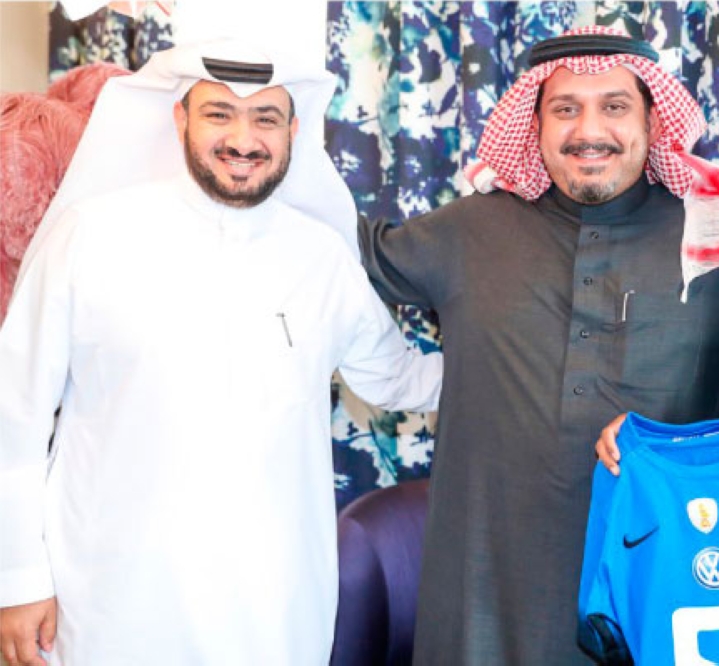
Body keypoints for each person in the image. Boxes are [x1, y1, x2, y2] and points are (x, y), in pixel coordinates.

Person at [0, 40, 441, 666]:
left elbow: (400, 380)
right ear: (180, 118)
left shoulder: (322, 257)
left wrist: (528, 350)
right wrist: (18, 580)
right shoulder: (90, 236)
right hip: (113, 601)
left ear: (293, 132)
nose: (243, 138)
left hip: (273, 606)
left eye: (265, 117)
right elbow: (12, 416)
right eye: (218, 114)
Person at [359, 26, 719, 664]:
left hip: (668, 574)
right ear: (533, 125)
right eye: (565, 108)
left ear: (652, 122)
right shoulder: (468, 231)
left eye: (615, 106)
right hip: (490, 583)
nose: (590, 130)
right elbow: (337, 260)